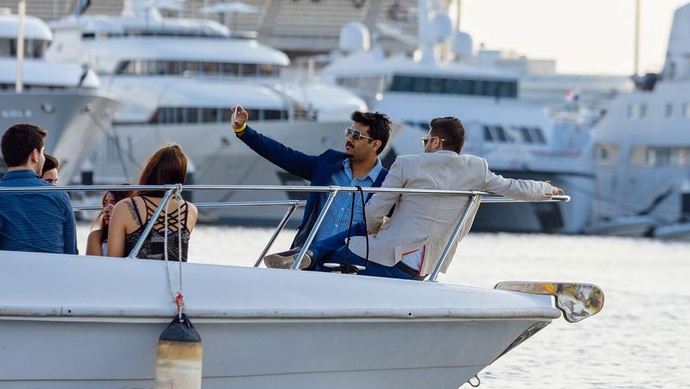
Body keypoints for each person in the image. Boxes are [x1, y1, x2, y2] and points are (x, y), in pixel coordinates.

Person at [271, 117, 563, 279]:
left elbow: (374, 212)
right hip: (427, 266)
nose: (424, 145)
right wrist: (546, 190)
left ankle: (305, 258)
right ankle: (307, 256)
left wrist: (375, 228)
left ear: (436, 141)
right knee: (351, 241)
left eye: (426, 140)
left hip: (388, 259)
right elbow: (514, 187)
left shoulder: (408, 164)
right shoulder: (477, 168)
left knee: (347, 240)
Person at [230, 105, 392, 251]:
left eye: (356, 135)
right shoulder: (328, 164)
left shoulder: (388, 184)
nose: (349, 139)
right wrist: (243, 130)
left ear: (375, 144)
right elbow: (283, 155)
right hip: (310, 260)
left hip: (355, 268)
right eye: (348, 132)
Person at [0, 124, 77, 253]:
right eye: (42, 151)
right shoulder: (58, 196)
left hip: (2, 271)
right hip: (52, 271)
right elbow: (71, 252)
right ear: (35, 155)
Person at [106, 144, 198, 260]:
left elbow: (113, 261)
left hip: (135, 276)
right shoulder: (190, 210)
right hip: (175, 277)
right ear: (181, 176)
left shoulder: (125, 207)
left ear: (150, 170)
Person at [85, 188, 131, 256]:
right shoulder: (96, 237)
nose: (106, 209)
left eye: (113, 203)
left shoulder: (137, 237)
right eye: (105, 203)